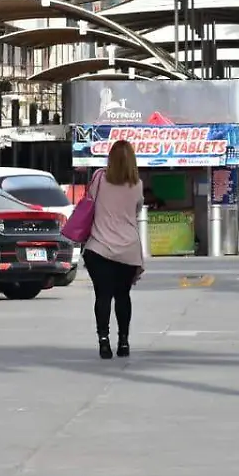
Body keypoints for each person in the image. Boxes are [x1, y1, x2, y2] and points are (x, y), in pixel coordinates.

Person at [83, 140, 144, 360]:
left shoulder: (99, 179)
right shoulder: (137, 185)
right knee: (123, 295)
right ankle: (124, 341)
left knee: (103, 296)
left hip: (99, 248)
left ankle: (103, 342)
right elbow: (136, 209)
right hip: (128, 249)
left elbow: (89, 200)